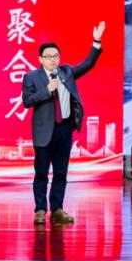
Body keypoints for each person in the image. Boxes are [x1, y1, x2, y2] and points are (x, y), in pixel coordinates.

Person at [22, 21, 105, 225]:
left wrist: (96, 42)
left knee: (61, 172)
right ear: (41, 59)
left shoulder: (66, 72)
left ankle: (57, 209)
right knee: (41, 173)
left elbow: (88, 64)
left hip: (64, 129)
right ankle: (40, 210)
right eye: (48, 56)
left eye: (56, 56)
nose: (53, 59)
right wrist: (47, 90)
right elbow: (27, 101)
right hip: (44, 132)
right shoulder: (31, 77)